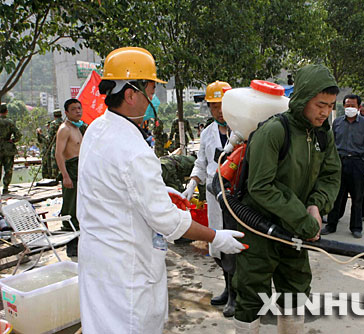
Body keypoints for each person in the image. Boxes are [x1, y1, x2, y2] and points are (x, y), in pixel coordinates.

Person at [77, 47, 245, 334]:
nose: (152, 97)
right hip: (127, 264)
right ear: (131, 93)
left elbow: (112, 187)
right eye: (151, 89)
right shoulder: (134, 150)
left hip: (98, 257)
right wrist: (216, 236)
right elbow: (167, 222)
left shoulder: (96, 129)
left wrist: (160, 190)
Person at [232, 64, 341, 333]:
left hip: (294, 230)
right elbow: (260, 186)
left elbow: (330, 175)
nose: (325, 112)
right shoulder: (274, 131)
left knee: (295, 293)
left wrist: (316, 205)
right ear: (303, 98)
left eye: (330, 105)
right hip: (259, 229)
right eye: (319, 104)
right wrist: (302, 218)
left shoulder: (322, 135)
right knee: (251, 296)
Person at [182, 80, 236, 317]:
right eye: (214, 106)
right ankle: (228, 288)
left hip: (236, 198)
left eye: (222, 104)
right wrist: (193, 182)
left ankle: (237, 294)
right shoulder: (207, 133)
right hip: (215, 195)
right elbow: (202, 163)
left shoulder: (243, 128)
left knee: (236, 244)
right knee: (218, 246)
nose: (219, 110)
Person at [322, 94, 364, 239]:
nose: (350, 108)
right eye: (347, 105)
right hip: (340, 162)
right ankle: (331, 225)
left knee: (357, 197)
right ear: (343, 106)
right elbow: (331, 145)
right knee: (337, 195)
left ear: (358, 107)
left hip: (358, 163)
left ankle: (356, 227)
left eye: (353, 105)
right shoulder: (338, 122)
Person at [55, 99, 87, 257]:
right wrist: (65, 176)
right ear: (66, 112)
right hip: (71, 171)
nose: (78, 112)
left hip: (80, 171)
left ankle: (80, 242)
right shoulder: (64, 129)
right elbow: (58, 154)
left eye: (79, 108)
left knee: (80, 207)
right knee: (70, 208)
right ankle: (71, 245)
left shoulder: (77, 127)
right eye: (74, 109)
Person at [0, 103, 21, 195]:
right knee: (8, 169)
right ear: (6, 111)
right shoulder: (10, 122)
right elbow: (18, 135)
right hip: (8, 148)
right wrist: (12, 140)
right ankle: (5, 187)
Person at [37, 109, 63, 179]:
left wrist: (40, 134)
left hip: (55, 147)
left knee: (54, 167)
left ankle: (55, 179)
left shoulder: (54, 124)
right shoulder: (65, 123)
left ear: (54, 116)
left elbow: (49, 140)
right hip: (65, 147)